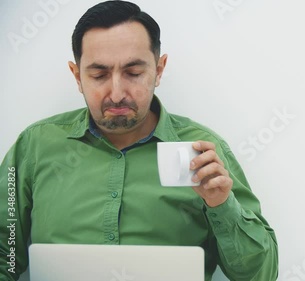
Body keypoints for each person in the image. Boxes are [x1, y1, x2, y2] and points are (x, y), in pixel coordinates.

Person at [0, 1, 278, 280]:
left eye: (133, 73)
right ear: (77, 76)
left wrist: (221, 205)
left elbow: (260, 275)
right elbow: (5, 254)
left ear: (159, 70)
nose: (118, 93)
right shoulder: (35, 146)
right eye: (99, 75)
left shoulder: (203, 150)